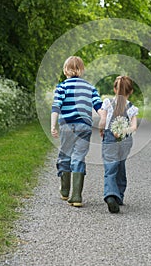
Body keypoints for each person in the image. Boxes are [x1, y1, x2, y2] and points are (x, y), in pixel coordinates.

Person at [51, 56, 103, 207]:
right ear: (82, 70)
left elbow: (56, 107)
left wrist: (53, 125)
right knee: (79, 157)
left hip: (67, 127)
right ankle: (76, 196)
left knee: (65, 156)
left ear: (65, 70)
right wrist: (103, 121)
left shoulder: (62, 87)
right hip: (84, 127)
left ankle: (65, 191)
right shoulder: (90, 87)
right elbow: (99, 106)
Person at [99, 76, 138, 213]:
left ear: (114, 89)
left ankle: (111, 195)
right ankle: (119, 196)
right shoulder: (132, 108)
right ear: (131, 91)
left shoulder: (107, 102)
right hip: (125, 140)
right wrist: (123, 131)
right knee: (120, 166)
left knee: (110, 168)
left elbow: (103, 120)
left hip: (109, 138)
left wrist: (102, 128)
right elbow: (134, 127)